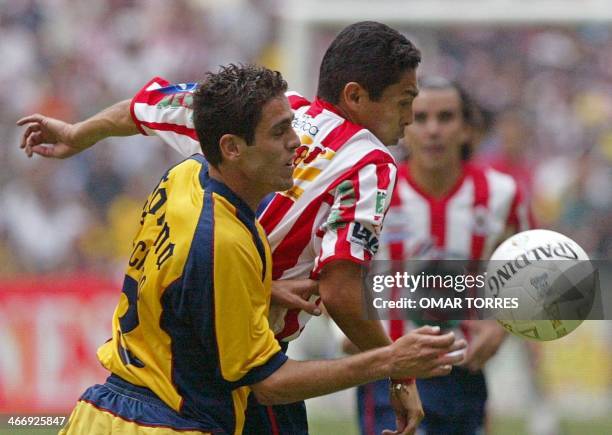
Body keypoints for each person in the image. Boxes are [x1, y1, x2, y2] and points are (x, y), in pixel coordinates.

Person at [19, 21, 430, 434]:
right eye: (404, 101)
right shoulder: (364, 163)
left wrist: (79, 133)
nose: (411, 117)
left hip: (114, 396)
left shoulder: (201, 159)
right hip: (209, 386)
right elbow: (327, 304)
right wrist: (395, 366)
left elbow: (146, 105)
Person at [347, 77, 533, 435]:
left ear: (466, 129)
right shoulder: (373, 191)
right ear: (405, 125)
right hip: (388, 371)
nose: (433, 130)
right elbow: (336, 271)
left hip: (462, 375)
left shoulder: (501, 194)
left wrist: (503, 323)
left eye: (445, 117)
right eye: (421, 117)